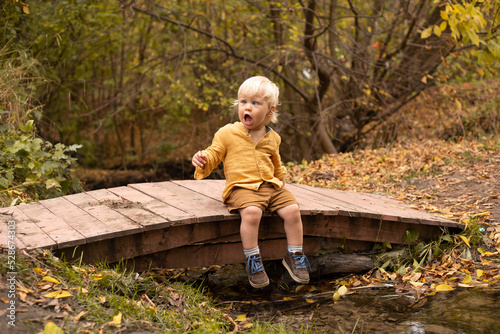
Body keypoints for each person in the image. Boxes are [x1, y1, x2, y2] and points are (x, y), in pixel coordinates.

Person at [191, 76, 310, 288]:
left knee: (292, 210)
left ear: (270, 111)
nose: (248, 107)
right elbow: (214, 153)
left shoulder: (273, 137)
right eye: (243, 102)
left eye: (255, 103)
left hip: (270, 185)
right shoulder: (227, 133)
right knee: (253, 213)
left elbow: (276, 163)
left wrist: (282, 182)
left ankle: (294, 255)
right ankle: (253, 259)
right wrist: (203, 159)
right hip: (241, 187)